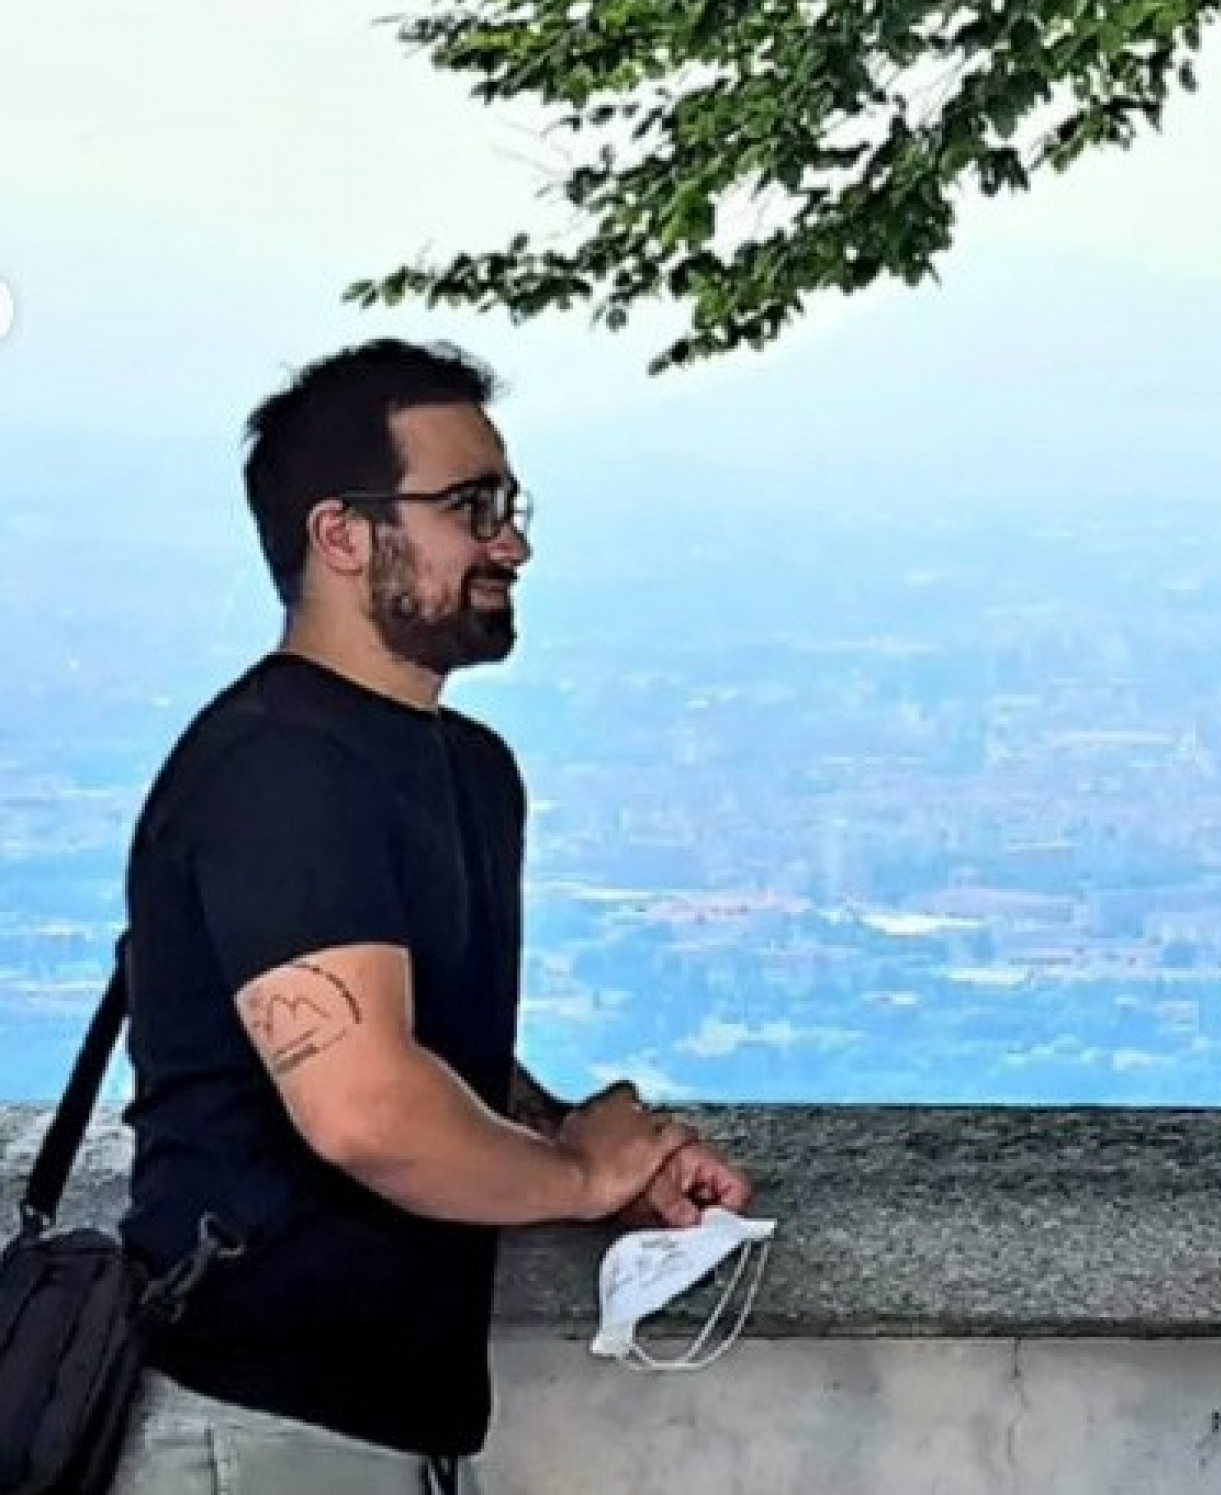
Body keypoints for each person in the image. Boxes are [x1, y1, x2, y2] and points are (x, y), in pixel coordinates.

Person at [110, 339, 751, 1493]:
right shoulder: (279, 767)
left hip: (373, 1428)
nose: (513, 540)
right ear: (341, 534)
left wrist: (586, 1144)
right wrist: (576, 1181)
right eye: (472, 505)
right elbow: (366, 1109)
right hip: (256, 1419)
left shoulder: (466, 768)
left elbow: (423, 1049)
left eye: (508, 502)